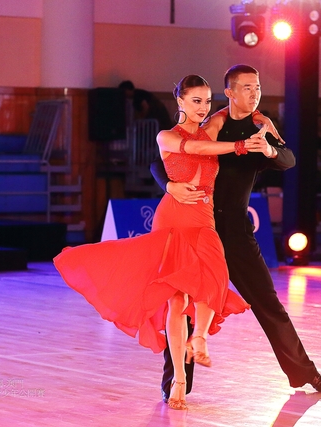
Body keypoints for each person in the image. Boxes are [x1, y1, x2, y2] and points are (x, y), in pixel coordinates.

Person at [53, 75, 264, 410]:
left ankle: (200, 338)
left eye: (207, 101)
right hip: (174, 218)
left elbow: (233, 110)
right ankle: (179, 378)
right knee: (177, 302)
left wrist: (263, 120)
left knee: (214, 276)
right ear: (180, 101)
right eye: (196, 101)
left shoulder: (211, 127)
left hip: (203, 218)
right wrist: (241, 146)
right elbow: (197, 149)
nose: (203, 108)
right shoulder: (166, 136)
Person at [151, 64, 321, 402]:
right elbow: (162, 159)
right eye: (247, 88)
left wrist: (268, 149)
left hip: (235, 231)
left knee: (267, 301)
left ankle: (304, 371)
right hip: (199, 225)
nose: (255, 94)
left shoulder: (260, 129)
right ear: (230, 92)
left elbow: (288, 159)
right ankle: (175, 383)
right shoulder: (211, 124)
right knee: (182, 303)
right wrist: (168, 185)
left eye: (258, 88)